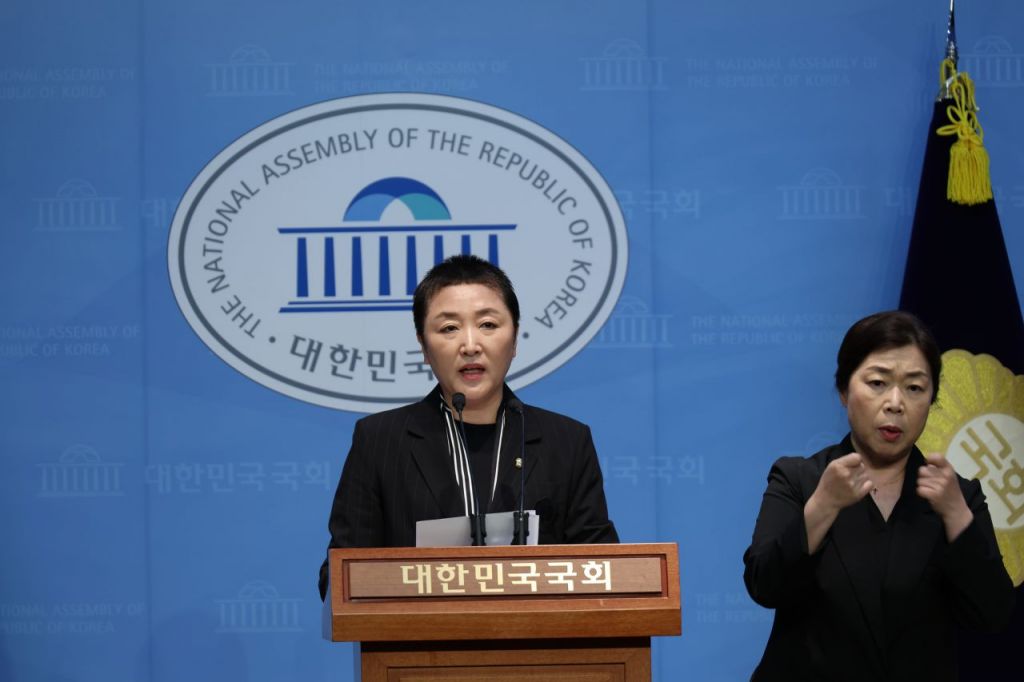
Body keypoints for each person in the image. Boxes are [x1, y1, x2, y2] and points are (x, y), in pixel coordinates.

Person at [319, 255, 618, 600]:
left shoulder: (565, 442)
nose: (471, 345)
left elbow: (604, 571)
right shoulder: (380, 441)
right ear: (424, 346)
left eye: (488, 324)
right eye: (449, 328)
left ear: (515, 339)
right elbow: (339, 579)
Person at [743, 310, 1014, 681]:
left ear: (932, 399)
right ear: (844, 390)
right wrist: (823, 506)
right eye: (877, 383)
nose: (895, 403)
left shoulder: (957, 496)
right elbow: (764, 585)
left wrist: (956, 517)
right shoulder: (798, 479)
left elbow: (993, 614)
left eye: (914, 388)